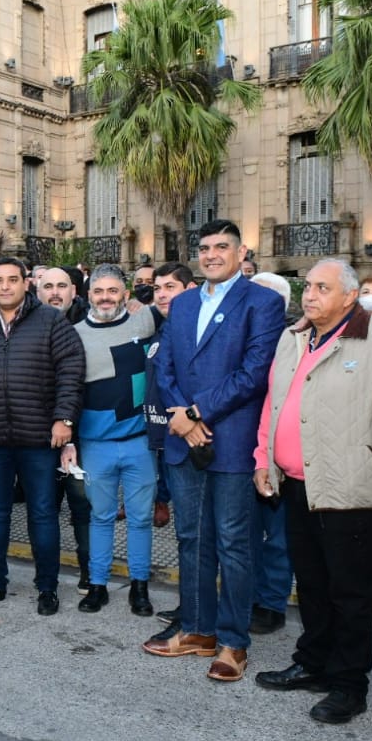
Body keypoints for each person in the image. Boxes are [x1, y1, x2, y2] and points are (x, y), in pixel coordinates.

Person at [252, 259, 372, 725]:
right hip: (297, 483)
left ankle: (349, 684)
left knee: (349, 592)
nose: (309, 295)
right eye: (308, 286)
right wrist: (263, 458)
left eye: (322, 287)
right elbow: (273, 403)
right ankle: (313, 662)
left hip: (351, 489)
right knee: (311, 583)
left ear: (350, 297)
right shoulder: (293, 337)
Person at [142, 220, 286, 683]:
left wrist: (198, 410)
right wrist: (181, 417)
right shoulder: (182, 304)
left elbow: (255, 371)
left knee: (234, 544)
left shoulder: (263, 302)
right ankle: (199, 630)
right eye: (204, 248)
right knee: (191, 539)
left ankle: (233, 642)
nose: (212, 255)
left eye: (222, 246)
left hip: (232, 441)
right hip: (185, 440)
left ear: (242, 252)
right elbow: (164, 365)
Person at [0, 256, 85, 616]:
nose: (5, 286)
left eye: (13, 280)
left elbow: (71, 373)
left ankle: (47, 588)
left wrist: (64, 420)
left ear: (26, 283)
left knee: (43, 515)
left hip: (39, 439)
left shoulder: (51, 321)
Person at [61, 264, 158, 616]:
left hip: (139, 442)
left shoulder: (144, 322)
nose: (105, 298)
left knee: (141, 519)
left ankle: (140, 587)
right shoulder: (72, 334)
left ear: (126, 295)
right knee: (99, 517)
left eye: (113, 291)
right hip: (95, 445)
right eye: (99, 291)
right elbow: (67, 390)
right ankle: (98, 585)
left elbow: (182, 299)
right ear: (88, 297)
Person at [236, 270, 295, 635]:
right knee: (244, 534)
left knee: (278, 536)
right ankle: (249, 596)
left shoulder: (295, 342)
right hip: (239, 451)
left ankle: (272, 602)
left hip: (278, 454)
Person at [145, 263, 200, 633]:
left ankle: (198, 615)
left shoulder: (195, 330)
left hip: (193, 443)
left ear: (191, 289)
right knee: (188, 536)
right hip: (166, 444)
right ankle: (192, 606)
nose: (162, 294)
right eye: (157, 288)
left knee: (197, 534)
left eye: (170, 286)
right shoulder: (161, 328)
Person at [37, 265, 92, 589]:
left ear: (74, 290)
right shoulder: (24, 326)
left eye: (62, 285)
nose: (55, 292)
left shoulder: (91, 324)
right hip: (40, 439)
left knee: (83, 508)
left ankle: (89, 572)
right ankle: (48, 578)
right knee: (45, 508)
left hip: (83, 437)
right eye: (48, 286)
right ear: (37, 290)